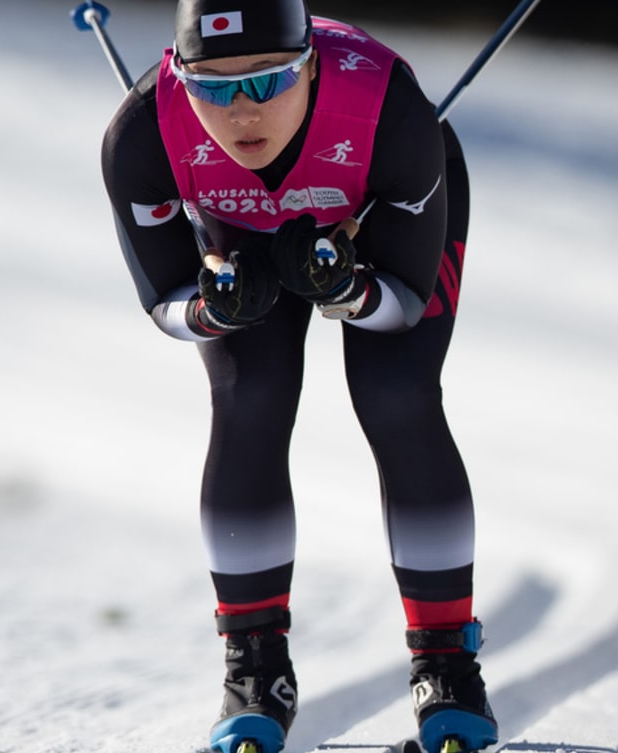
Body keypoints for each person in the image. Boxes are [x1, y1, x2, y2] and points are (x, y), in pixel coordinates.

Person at [100, 1, 496, 752]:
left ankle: (447, 664)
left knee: (396, 394)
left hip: (379, 218)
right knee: (250, 394)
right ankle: (254, 670)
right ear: (180, 76)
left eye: (268, 80)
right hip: (235, 236)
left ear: (311, 63)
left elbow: (407, 304)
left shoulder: (391, 113)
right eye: (211, 87)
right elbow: (162, 302)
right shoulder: (142, 133)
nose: (242, 110)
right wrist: (217, 306)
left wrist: (350, 290)